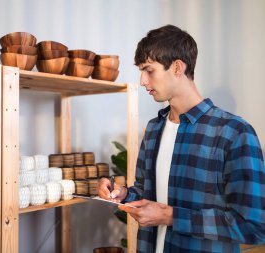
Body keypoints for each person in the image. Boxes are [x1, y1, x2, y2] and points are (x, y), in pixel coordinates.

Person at [98, 24, 265, 253]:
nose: (143, 81)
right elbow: (146, 192)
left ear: (177, 67)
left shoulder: (235, 133)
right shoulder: (154, 128)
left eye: (149, 70)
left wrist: (171, 216)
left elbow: (254, 226)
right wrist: (124, 194)